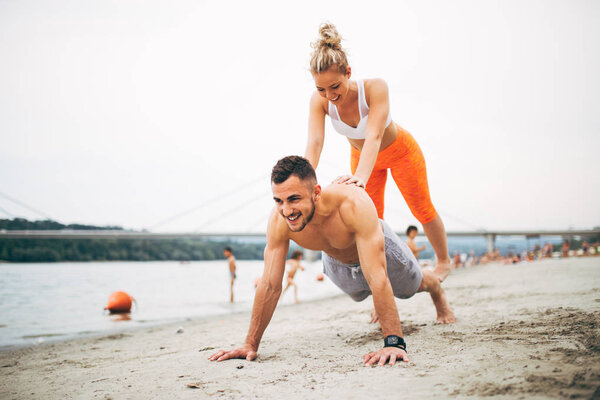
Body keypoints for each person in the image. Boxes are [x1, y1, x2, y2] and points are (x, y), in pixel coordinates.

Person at [209, 156, 455, 367]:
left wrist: (394, 343)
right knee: (362, 292)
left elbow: (377, 274)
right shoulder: (279, 220)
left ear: (316, 192)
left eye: (294, 199)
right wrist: (249, 344)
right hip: (337, 262)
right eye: (278, 201)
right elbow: (271, 285)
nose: (286, 210)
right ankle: (379, 303)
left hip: (377, 250)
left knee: (412, 287)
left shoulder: (352, 204)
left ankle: (437, 291)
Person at [304, 23, 451, 282]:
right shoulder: (320, 102)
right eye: (321, 89)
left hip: (400, 151)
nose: (329, 95)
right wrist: (305, 181)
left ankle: (443, 262)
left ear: (348, 72)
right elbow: (315, 143)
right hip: (360, 156)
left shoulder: (375, 88)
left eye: (335, 86)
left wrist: (360, 178)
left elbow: (373, 136)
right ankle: (381, 284)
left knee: (422, 209)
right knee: (372, 221)